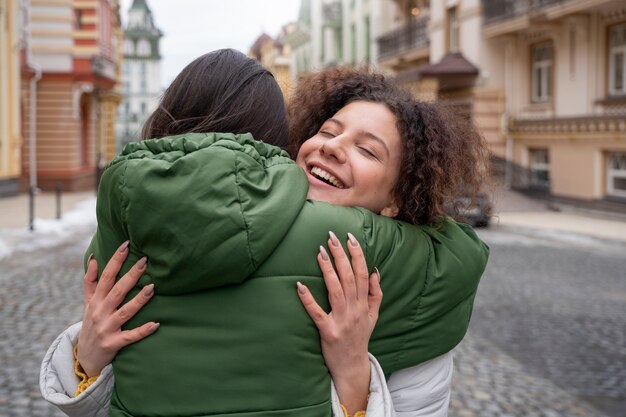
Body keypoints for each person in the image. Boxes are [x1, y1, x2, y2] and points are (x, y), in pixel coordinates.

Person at [40, 50, 489, 417]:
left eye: (366, 150)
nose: (332, 146)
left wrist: (354, 373)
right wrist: (89, 359)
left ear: (398, 197)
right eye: (327, 131)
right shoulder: (430, 276)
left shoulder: (406, 291)